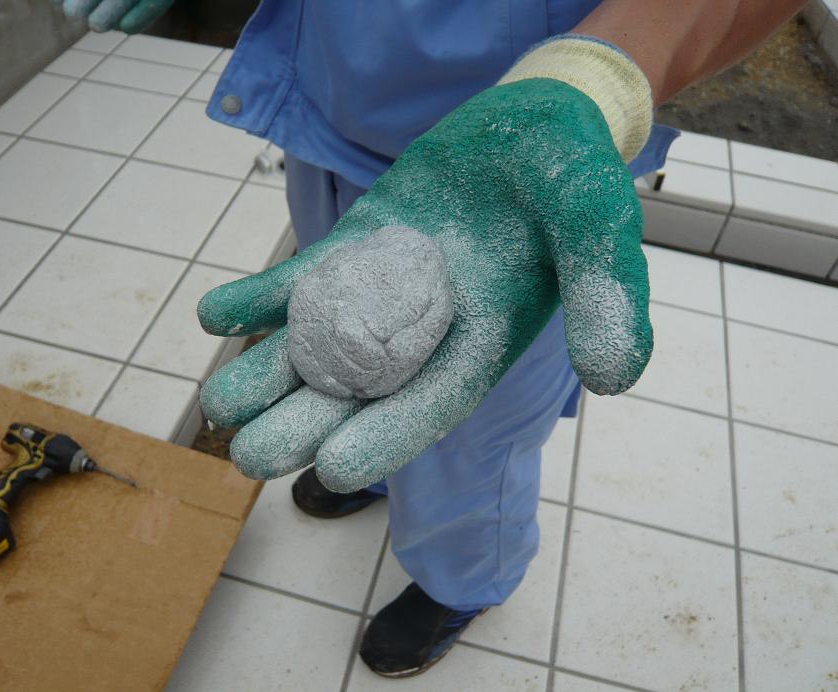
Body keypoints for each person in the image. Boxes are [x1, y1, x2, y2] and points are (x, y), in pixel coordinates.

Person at [63, 0, 805, 678]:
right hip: (336, 120)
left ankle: (463, 581)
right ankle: (382, 477)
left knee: (473, 434)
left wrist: (593, 73)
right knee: (358, 383)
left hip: (515, 185)